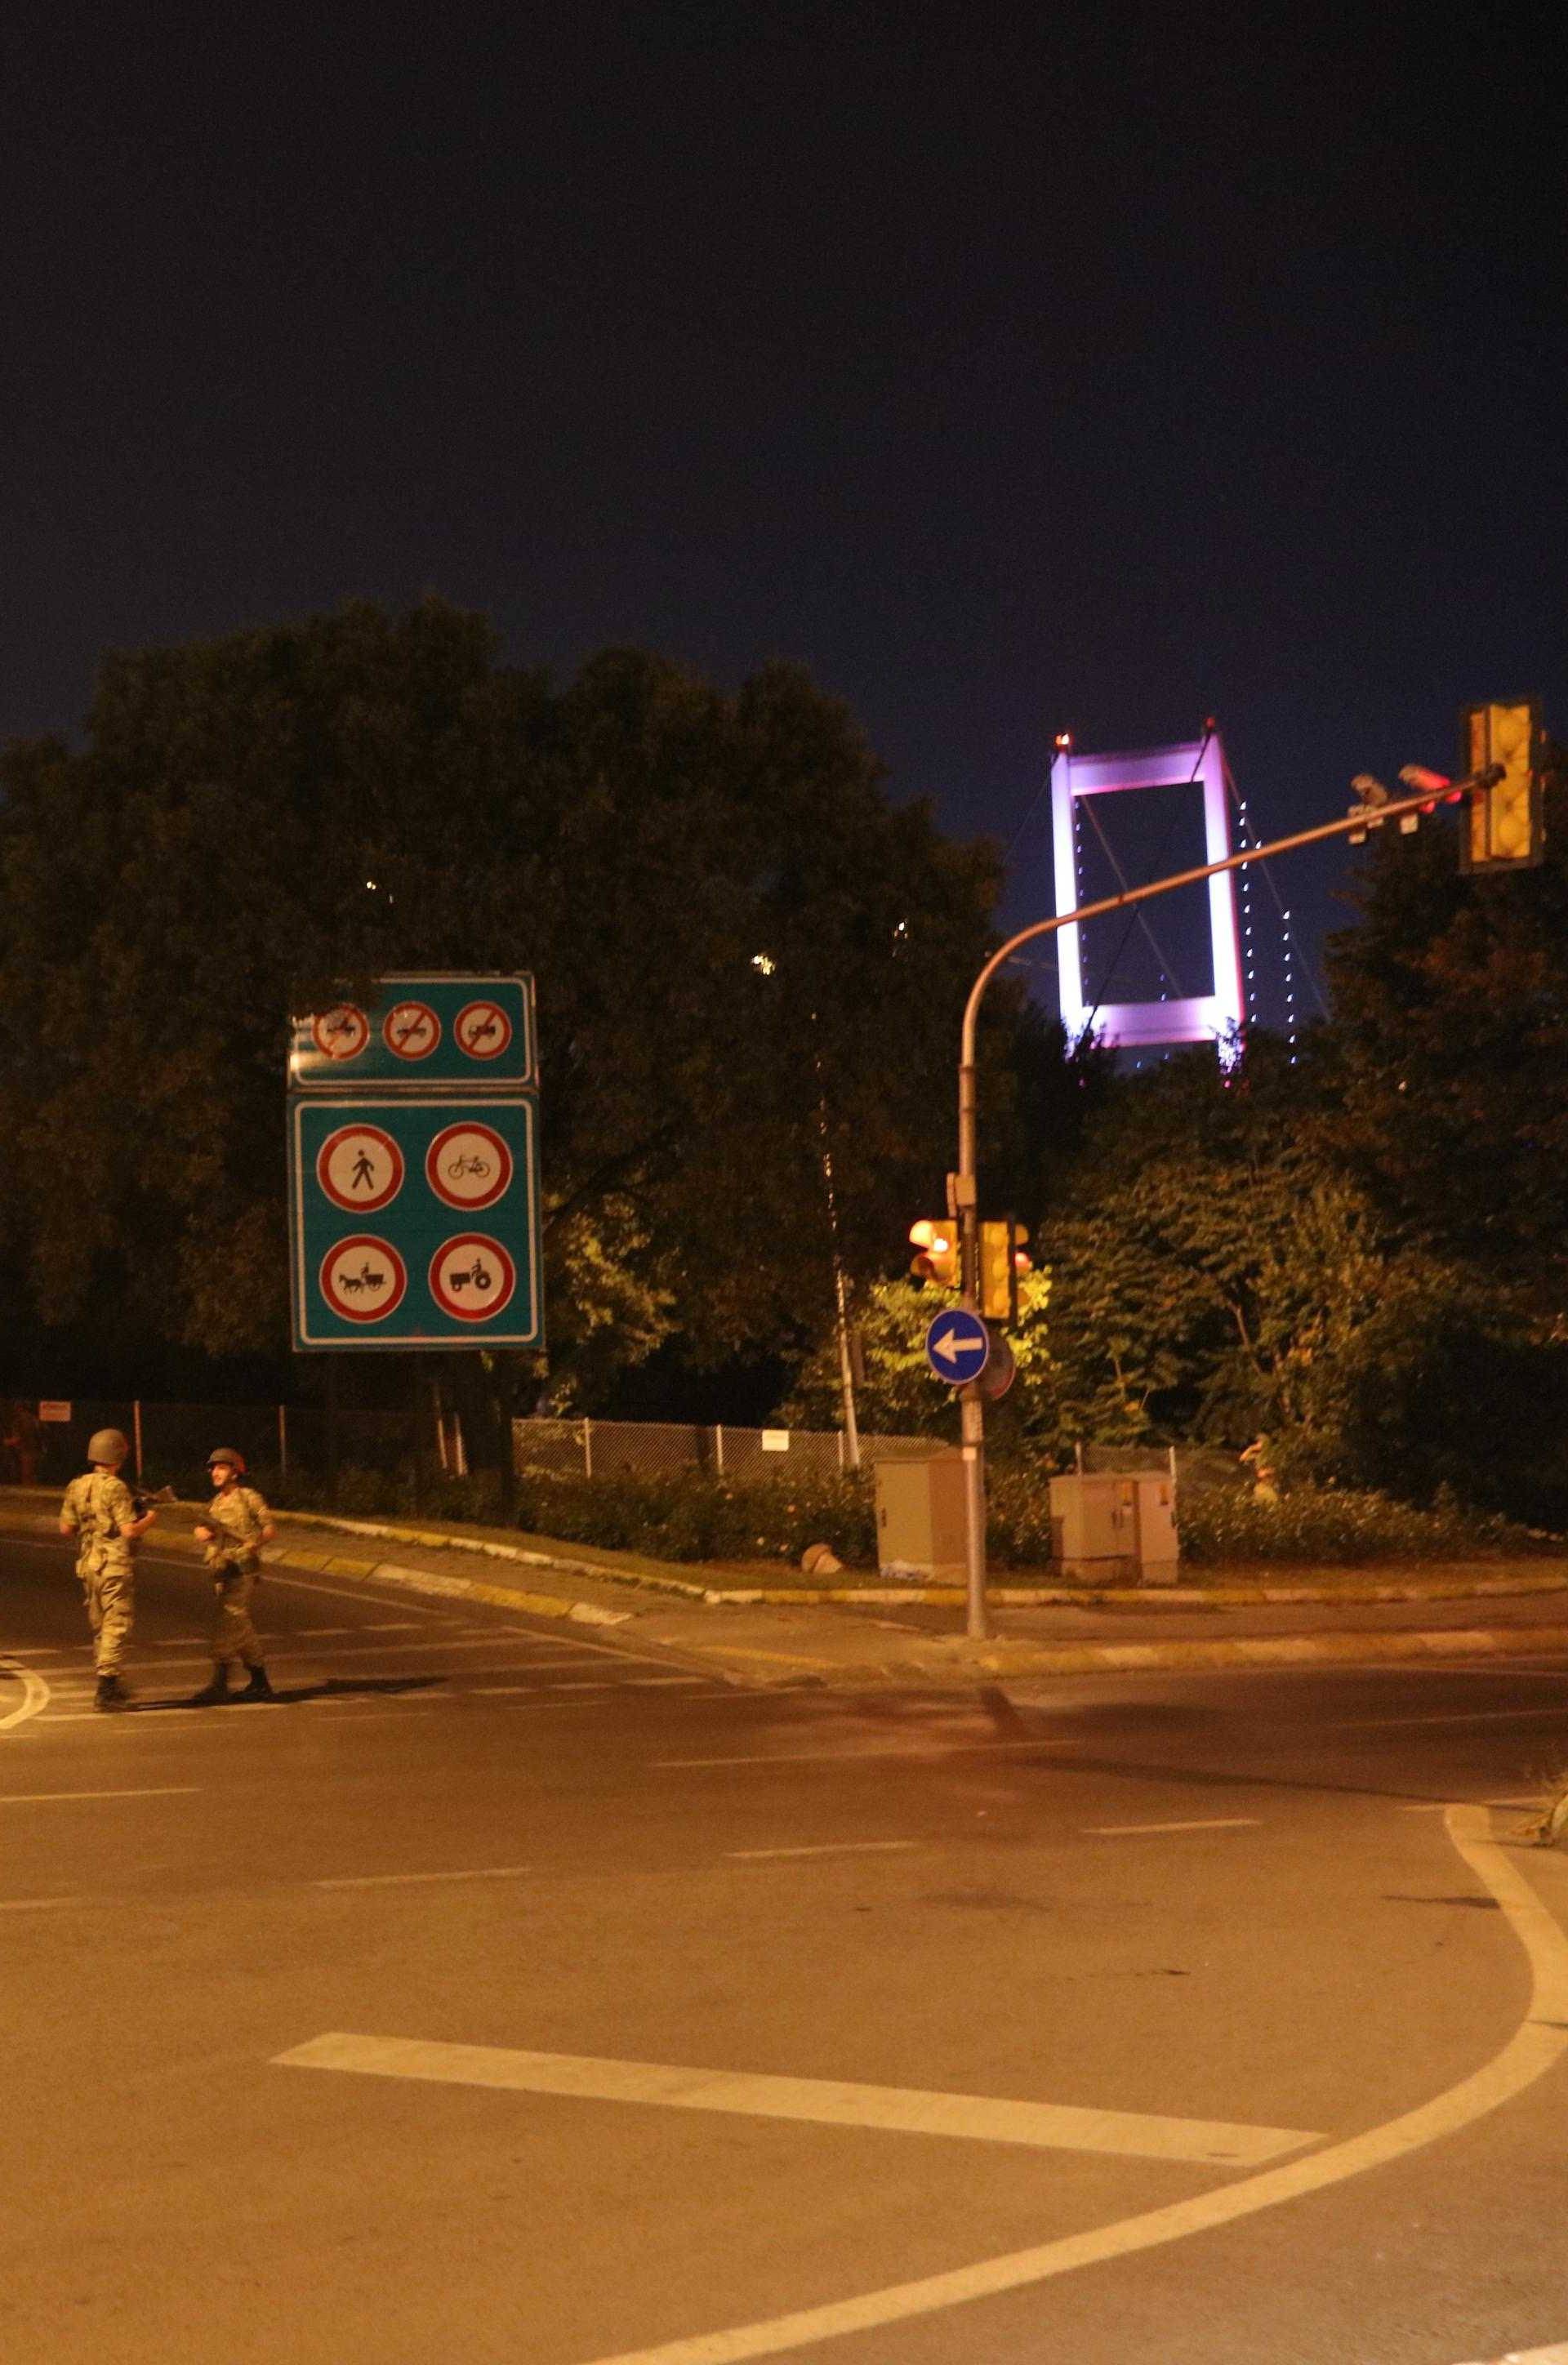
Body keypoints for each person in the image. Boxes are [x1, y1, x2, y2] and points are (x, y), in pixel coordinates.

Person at [58, 1427, 156, 1711]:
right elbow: (128, 1531)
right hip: (113, 1564)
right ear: (118, 1456)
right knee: (117, 1624)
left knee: (101, 1626)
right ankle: (107, 1689)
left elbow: (66, 1527)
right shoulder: (116, 1487)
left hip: (88, 1564)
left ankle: (109, 1682)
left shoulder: (76, 1486)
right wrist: (149, 1518)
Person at [189, 1448, 277, 1704]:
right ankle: (260, 1682)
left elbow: (270, 1528)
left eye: (222, 1467)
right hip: (222, 1572)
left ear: (235, 1471)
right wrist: (202, 1533)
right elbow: (205, 1528)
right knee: (242, 1629)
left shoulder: (249, 1498)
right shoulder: (216, 1503)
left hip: (242, 1571)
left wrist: (256, 1543)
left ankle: (220, 1683)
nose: (215, 1472)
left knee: (227, 1625)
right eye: (213, 1468)